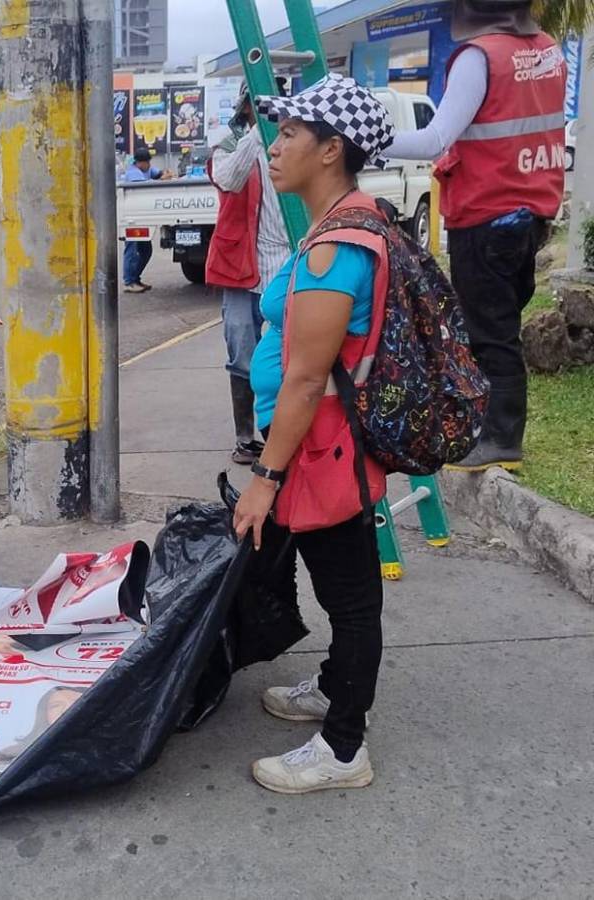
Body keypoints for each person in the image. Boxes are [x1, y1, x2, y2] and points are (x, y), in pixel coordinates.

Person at [232, 73, 397, 795]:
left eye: (291, 133)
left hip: (322, 444)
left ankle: (342, 748)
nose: (276, 145)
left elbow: (306, 378)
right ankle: (335, 691)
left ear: (331, 150)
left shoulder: (337, 249)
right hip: (315, 440)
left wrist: (264, 478)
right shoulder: (336, 226)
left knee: (351, 594)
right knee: (344, 582)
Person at [385, 0, 565, 471]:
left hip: (486, 215)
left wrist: (363, 137)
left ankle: (502, 439)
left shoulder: (478, 57)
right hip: (530, 214)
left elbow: (433, 140)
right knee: (498, 323)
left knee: (490, 333)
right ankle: (492, 429)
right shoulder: (548, 50)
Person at [208, 81, 291, 465]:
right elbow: (228, 179)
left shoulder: (297, 144)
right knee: (241, 351)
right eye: (259, 104)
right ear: (245, 107)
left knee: (287, 357)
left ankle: (280, 437)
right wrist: (260, 132)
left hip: (284, 265)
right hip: (240, 267)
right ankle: (246, 439)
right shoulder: (231, 145)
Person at [121, 146, 173, 293]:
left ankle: (136, 279)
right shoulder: (133, 173)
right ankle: (129, 282)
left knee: (146, 250)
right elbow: (144, 187)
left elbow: (157, 173)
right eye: (147, 163)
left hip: (142, 216)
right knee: (131, 249)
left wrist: (165, 173)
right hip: (131, 217)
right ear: (139, 163)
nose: (149, 165)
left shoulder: (146, 170)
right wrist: (161, 180)